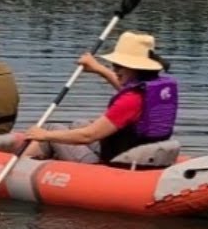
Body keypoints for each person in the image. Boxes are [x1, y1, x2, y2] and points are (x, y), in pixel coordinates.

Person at [21, 31, 178, 165]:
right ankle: (48, 156)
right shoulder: (152, 88)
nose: (114, 69)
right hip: (140, 156)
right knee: (79, 124)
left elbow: (88, 136)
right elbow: (126, 90)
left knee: (51, 129)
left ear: (134, 68)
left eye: (118, 66)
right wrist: (98, 68)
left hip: (116, 163)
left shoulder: (129, 100)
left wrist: (42, 135)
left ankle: (23, 166)